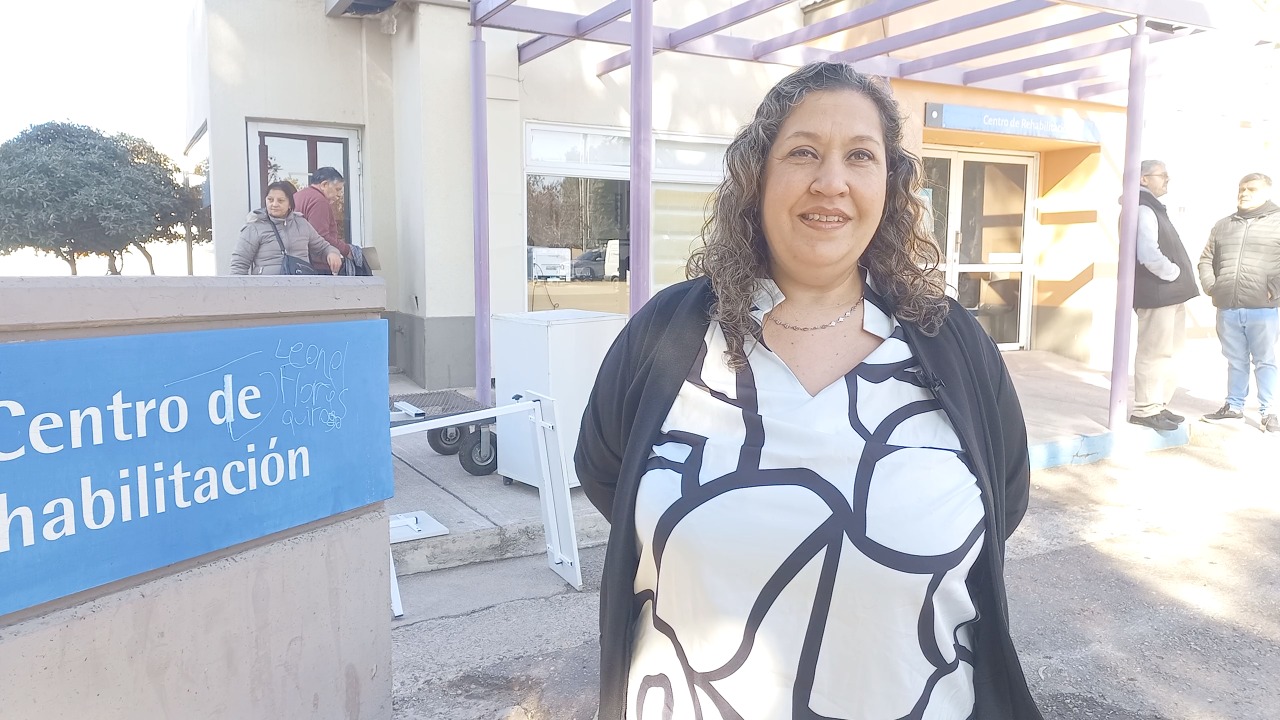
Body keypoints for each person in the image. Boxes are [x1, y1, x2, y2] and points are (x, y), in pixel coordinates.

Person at [576, 63, 1042, 720]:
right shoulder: (667, 333)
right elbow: (607, 472)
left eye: (861, 155)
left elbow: (1004, 496)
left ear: (890, 184)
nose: (831, 182)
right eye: (802, 153)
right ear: (757, 176)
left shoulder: (953, 343)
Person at [1198, 173, 1280, 431]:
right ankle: (1234, 407)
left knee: (1265, 360)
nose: (1244, 193)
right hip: (1228, 307)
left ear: (1266, 192)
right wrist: (1212, 286)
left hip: (1263, 308)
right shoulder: (1224, 225)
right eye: (1241, 189)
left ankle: (1269, 412)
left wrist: (1275, 289)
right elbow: (1206, 259)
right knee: (1235, 360)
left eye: (1251, 189)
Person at [1128, 160, 1199, 431]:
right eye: (1162, 175)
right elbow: (1147, 253)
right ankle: (1146, 409)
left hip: (1169, 295)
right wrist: (1173, 273)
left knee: (1170, 353)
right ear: (1144, 179)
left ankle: (1158, 405)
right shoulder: (1143, 208)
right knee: (1154, 353)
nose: (1167, 179)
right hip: (1157, 294)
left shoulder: (1153, 207)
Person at [230, 181, 342, 276]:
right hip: (266, 289)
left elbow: (323, 247)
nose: (274, 204)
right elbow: (239, 264)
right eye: (270, 199)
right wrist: (239, 290)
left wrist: (332, 253)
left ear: (290, 204)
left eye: (280, 200)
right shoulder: (254, 227)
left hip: (301, 287)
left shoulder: (302, 224)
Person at [292, 167, 351, 271]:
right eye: (337, 189)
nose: (339, 195)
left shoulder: (297, 196)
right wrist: (347, 250)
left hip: (298, 260)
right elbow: (321, 236)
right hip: (317, 264)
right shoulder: (320, 201)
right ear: (324, 185)